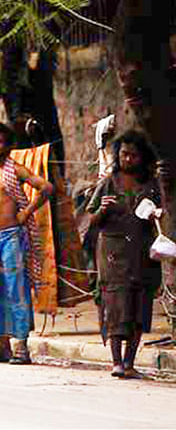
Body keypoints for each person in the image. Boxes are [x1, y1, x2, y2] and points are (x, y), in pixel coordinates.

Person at [0, 123, 53, 364]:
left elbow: (46, 188)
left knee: (15, 292)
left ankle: (21, 348)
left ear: (8, 146)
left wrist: (26, 212)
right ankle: (2, 346)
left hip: (11, 239)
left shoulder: (15, 170)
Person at [87, 130, 160, 379]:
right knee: (116, 304)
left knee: (140, 305)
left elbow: (163, 215)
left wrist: (156, 215)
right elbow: (92, 219)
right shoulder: (109, 181)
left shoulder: (151, 184)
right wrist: (103, 209)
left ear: (142, 157)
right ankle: (116, 362)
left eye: (133, 156)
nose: (128, 160)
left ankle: (130, 362)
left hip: (142, 250)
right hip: (113, 254)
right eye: (124, 154)